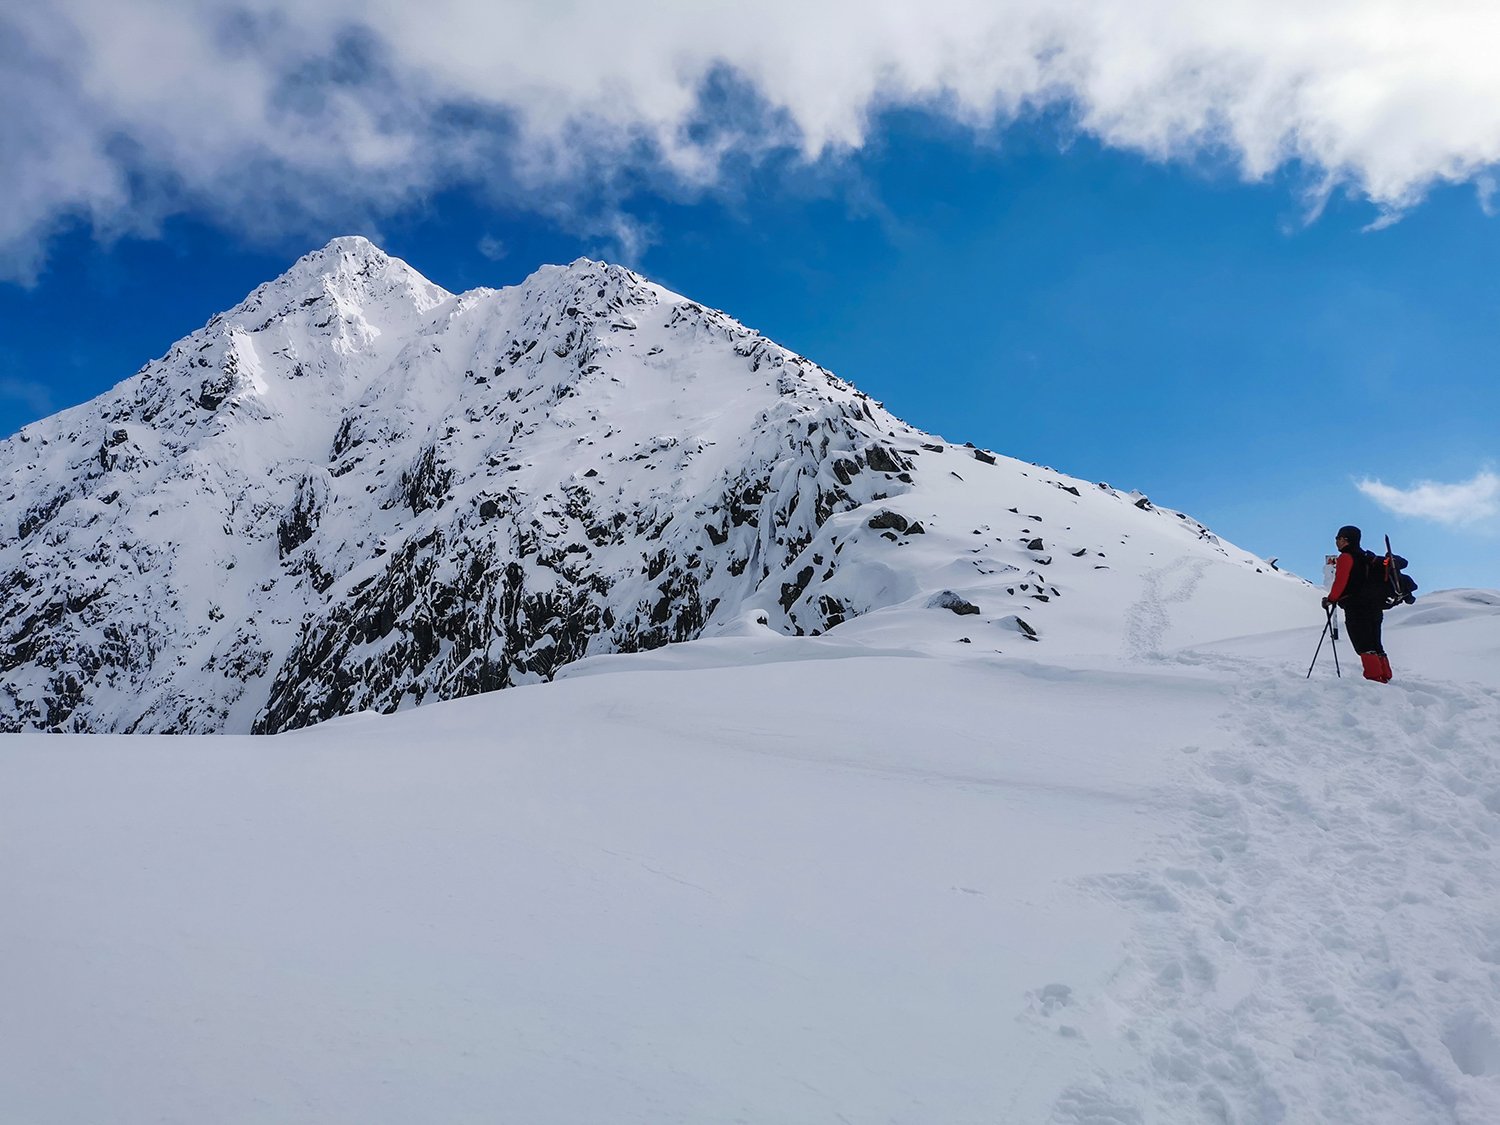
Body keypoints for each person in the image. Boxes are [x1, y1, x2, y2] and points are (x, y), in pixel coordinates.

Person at [1321, 525, 1392, 683]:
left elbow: (1340, 583)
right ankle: (1385, 675)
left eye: (1337, 538)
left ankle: (1374, 678)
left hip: (1356, 606)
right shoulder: (1367, 557)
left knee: (1363, 644)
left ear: (1345, 540)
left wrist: (1331, 599)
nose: (1336, 542)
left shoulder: (1346, 557)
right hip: (1375, 605)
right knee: (1376, 642)